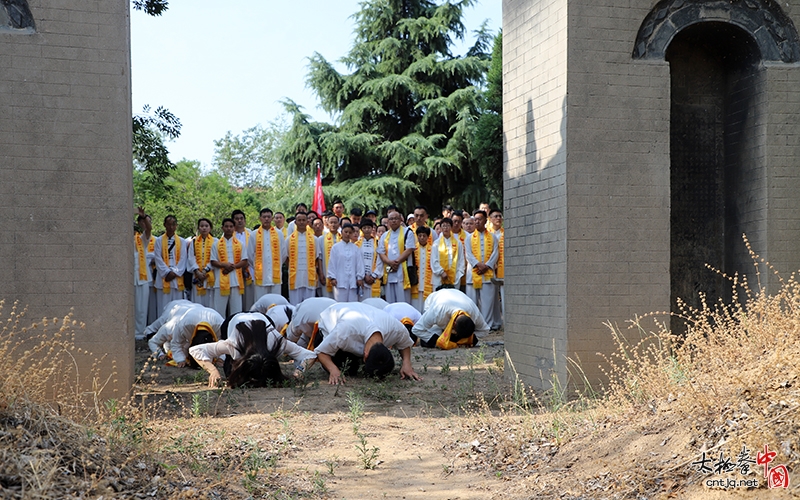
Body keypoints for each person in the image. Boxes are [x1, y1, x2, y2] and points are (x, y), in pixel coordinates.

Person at [189, 312, 316, 388]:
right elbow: (195, 350)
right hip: (234, 320)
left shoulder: (275, 341)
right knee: (229, 372)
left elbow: (310, 355)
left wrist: (299, 372)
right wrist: (213, 371)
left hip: (263, 319)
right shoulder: (234, 345)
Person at [314, 302, 422, 384]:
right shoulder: (344, 332)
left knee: (357, 366)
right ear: (365, 356)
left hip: (362, 318)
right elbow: (321, 352)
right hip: (328, 327)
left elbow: (405, 344)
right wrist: (333, 369)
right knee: (348, 370)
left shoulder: (395, 329)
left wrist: (407, 363)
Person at [148, 302, 223, 367]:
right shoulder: (174, 326)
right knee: (155, 327)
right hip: (175, 308)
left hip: (193, 308)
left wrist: (221, 358)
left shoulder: (219, 324)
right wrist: (180, 360)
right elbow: (175, 344)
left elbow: (225, 342)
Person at [411, 288, 490, 349]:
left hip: (455, 296)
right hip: (435, 300)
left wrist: (472, 338)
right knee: (428, 343)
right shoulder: (437, 311)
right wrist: (437, 340)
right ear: (454, 325)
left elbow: (485, 330)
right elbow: (416, 329)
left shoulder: (474, 313)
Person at [465, 210, 499, 330]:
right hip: (472, 274)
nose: (477, 221)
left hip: (488, 275)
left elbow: (496, 253)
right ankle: (474, 325)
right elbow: (468, 254)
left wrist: (487, 266)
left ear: (486, 220)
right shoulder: (468, 238)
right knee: (472, 303)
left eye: (480, 219)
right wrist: (478, 265)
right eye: (475, 219)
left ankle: (487, 325)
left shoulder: (493, 237)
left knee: (487, 303)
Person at [210, 218, 249, 317]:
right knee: (219, 311)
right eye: (226, 226)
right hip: (220, 281)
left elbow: (244, 260)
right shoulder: (216, 245)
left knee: (236, 311)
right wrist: (224, 265)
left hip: (236, 281)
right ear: (222, 228)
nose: (228, 228)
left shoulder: (240, 244)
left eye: (231, 226)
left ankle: (235, 331)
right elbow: (213, 261)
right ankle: (220, 331)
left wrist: (233, 267)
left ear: (234, 228)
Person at [377, 211, 416, 304]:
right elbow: (381, 252)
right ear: (388, 221)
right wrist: (390, 263)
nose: (394, 221)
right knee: (390, 301)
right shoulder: (385, 235)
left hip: (403, 270)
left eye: (396, 218)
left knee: (403, 300)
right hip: (389, 271)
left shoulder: (408, 232)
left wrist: (396, 262)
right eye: (391, 219)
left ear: (400, 220)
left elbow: (409, 249)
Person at [248, 208, 286, 300]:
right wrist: (258, 267)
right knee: (260, 302)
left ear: (272, 218)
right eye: (264, 217)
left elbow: (283, 254)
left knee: (276, 302)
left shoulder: (279, 234)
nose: (266, 219)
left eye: (268, 217)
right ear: (260, 218)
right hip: (261, 275)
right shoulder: (254, 234)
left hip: (275, 275)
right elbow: (249, 255)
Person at [153, 215, 188, 316]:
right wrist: (167, 272)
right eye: (168, 224)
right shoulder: (159, 240)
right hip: (164, 277)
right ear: (164, 225)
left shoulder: (182, 241)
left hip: (176, 277)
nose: (171, 227)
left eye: (173, 224)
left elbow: (183, 259)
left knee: (177, 307)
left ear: (176, 226)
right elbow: (158, 258)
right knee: (163, 306)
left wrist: (175, 272)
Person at [286, 212, 322, 305]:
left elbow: (317, 258)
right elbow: (286, 258)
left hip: (309, 276)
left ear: (307, 222)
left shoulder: (314, 239)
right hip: (295, 277)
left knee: (309, 305)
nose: (301, 222)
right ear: (295, 222)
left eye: (303, 220)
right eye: (299, 220)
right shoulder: (289, 239)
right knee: (295, 305)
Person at [327, 223, 365, 302]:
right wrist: (332, 277)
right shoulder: (336, 247)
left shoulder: (355, 248)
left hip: (353, 281)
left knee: (353, 304)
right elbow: (332, 263)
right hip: (339, 280)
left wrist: (359, 277)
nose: (348, 234)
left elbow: (359, 264)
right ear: (341, 232)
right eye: (346, 232)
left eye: (350, 232)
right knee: (340, 304)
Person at [134, 207, 154, 339]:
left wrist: (144, 216)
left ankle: (140, 333)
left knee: (141, 308)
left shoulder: (141, 241)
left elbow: (149, 229)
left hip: (142, 277)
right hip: (128, 278)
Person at [187, 218, 216, 308]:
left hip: (210, 274)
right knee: (197, 301)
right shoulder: (194, 242)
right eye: (202, 226)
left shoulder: (216, 241)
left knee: (210, 301)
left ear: (210, 228)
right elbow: (191, 257)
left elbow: (215, 257)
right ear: (198, 228)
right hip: (197, 274)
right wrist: (197, 271)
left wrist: (205, 270)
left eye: (206, 226)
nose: (204, 228)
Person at [430, 218, 465, 292]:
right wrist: (441, 272)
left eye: (448, 226)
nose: (446, 228)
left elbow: (461, 259)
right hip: (439, 278)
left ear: (451, 227)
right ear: (441, 228)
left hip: (454, 277)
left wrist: (459, 274)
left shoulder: (458, 243)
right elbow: (434, 260)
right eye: (443, 226)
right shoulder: (436, 243)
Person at [357, 219, 382, 300]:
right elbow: (356, 262)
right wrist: (363, 275)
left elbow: (380, 261)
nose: (367, 230)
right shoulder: (357, 244)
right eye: (364, 228)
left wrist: (374, 276)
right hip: (362, 278)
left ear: (372, 229)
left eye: (369, 227)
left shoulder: (378, 243)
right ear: (361, 229)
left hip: (373, 278)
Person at [489, 208, 505, 329]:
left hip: (503, 268)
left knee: (504, 297)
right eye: (495, 216)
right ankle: (494, 322)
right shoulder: (487, 234)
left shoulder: (505, 233)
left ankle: (505, 322)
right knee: (491, 298)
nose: (498, 218)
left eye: (500, 216)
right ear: (490, 219)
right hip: (489, 269)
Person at [319, 215, 341, 298]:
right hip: (326, 271)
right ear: (327, 224)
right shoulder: (321, 239)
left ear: (339, 224)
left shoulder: (343, 238)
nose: (333, 225)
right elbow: (320, 258)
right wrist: (321, 273)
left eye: (335, 222)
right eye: (331, 222)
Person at [412, 226, 433, 312]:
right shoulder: (413, 249)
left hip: (427, 281)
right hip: (417, 280)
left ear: (428, 237)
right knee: (415, 304)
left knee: (426, 306)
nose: (422, 238)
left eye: (424, 236)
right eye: (419, 236)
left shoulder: (433, 249)